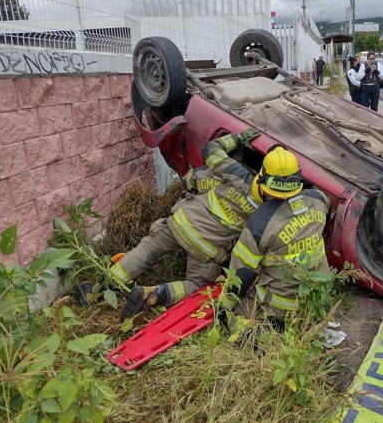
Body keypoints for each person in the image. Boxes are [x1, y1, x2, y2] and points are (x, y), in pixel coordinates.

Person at [111, 129, 263, 320]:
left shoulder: (233, 174)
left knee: (147, 250)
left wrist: (238, 138)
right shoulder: (267, 210)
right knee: (196, 284)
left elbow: (193, 176)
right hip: (206, 247)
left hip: (180, 223)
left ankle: (106, 284)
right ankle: (155, 293)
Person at [217, 146, 331, 331]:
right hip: (318, 298)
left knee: (233, 313)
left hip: (279, 308)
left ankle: (259, 336)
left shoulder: (260, 222)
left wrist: (224, 305)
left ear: (264, 181)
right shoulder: (319, 200)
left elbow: (242, 275)